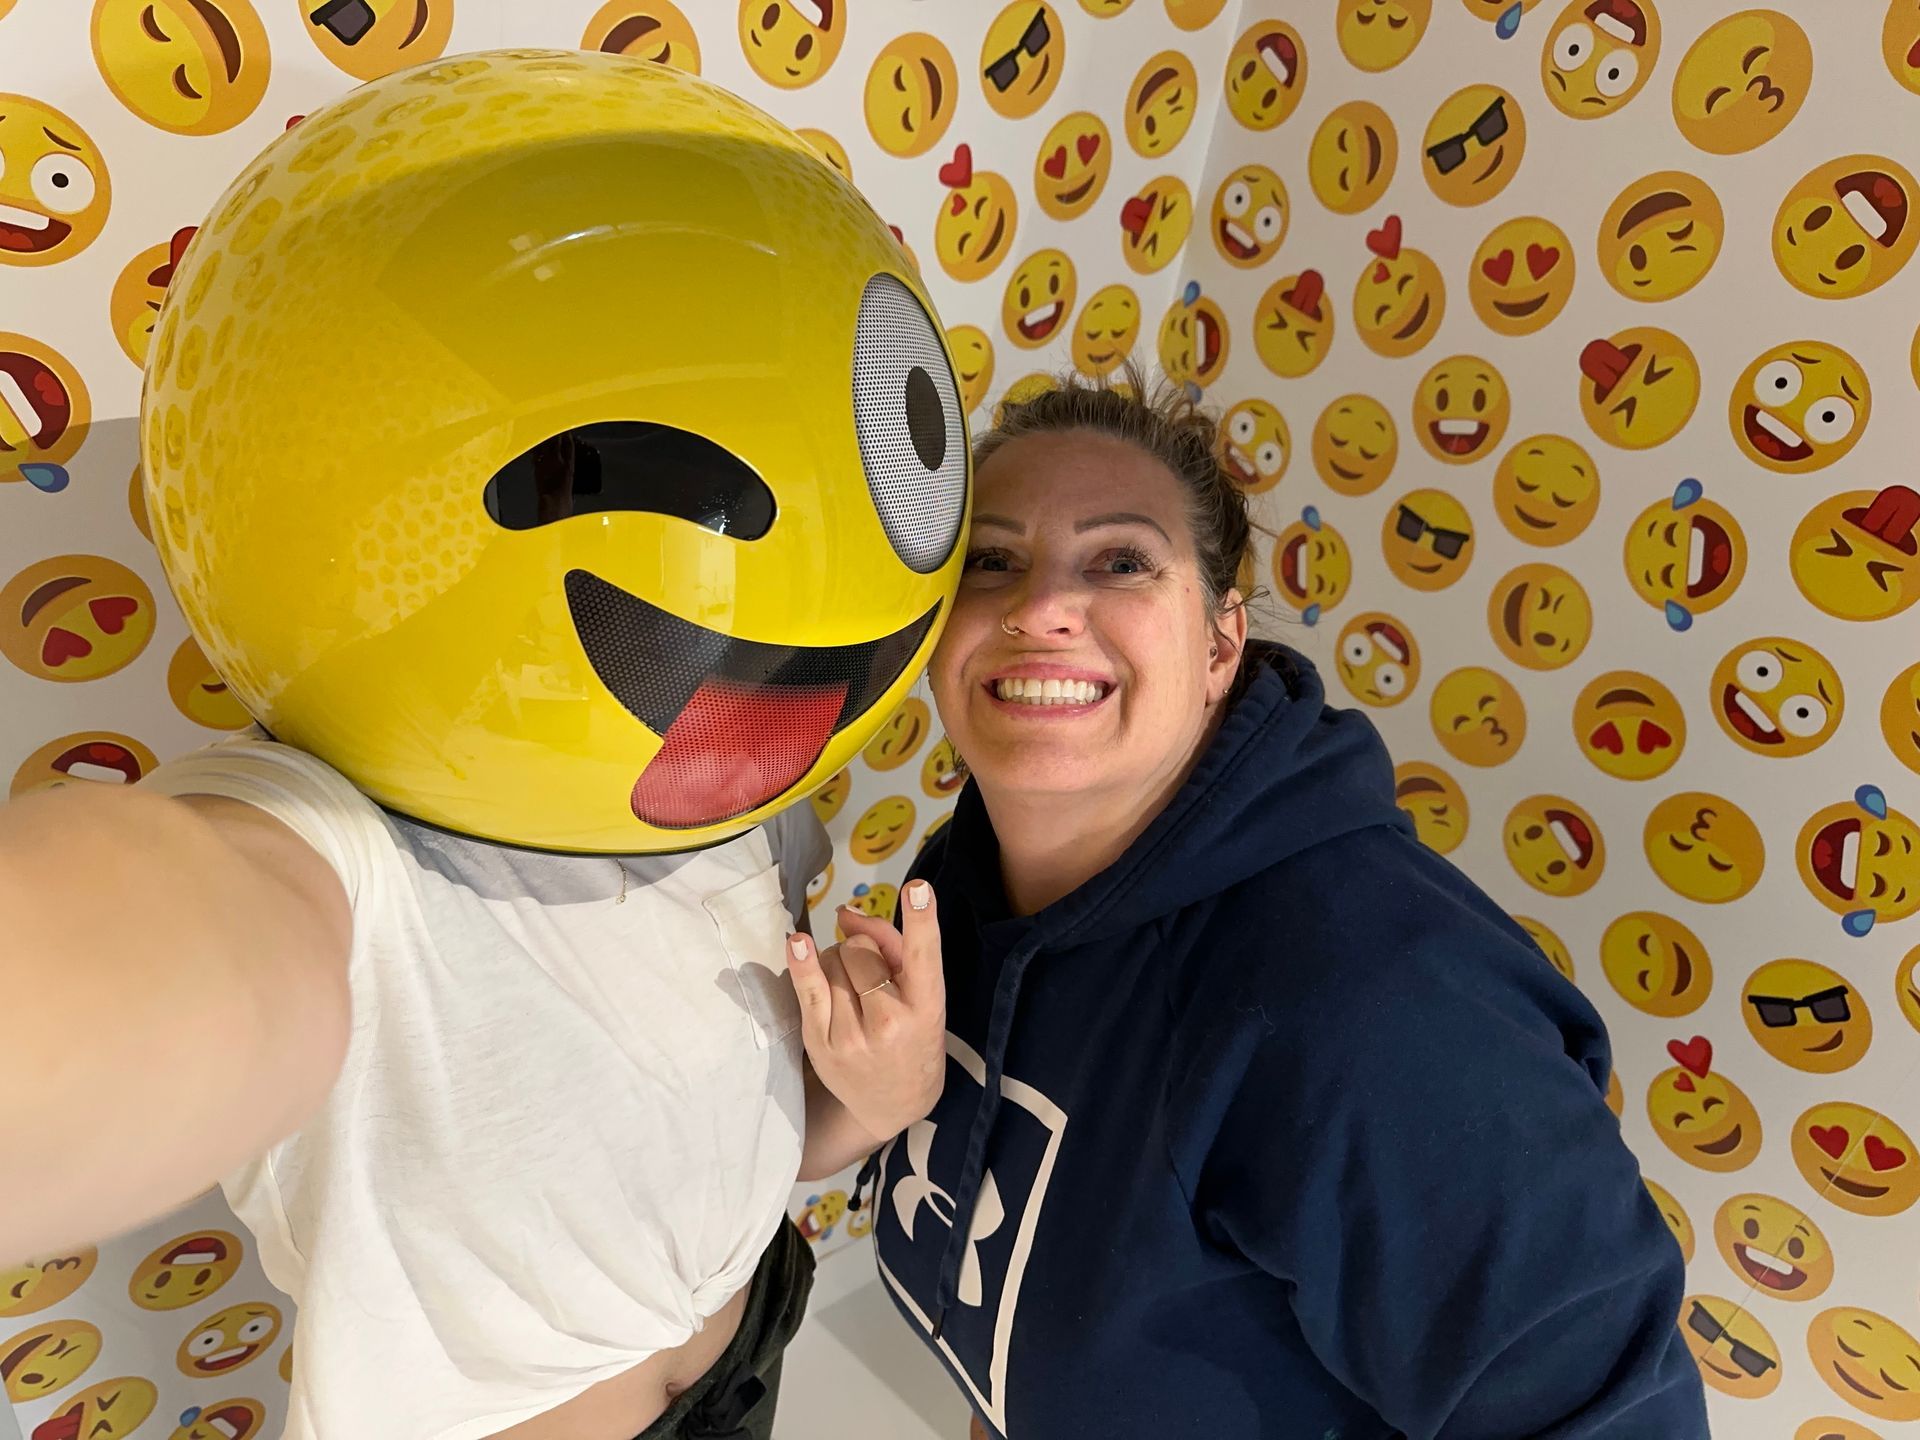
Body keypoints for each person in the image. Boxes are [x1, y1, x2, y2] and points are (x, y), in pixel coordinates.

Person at [0, 51, 966, 1440]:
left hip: (758, 1325)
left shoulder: (725, 785)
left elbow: (683, 1172)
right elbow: (163, 946)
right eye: (603, 471)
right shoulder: (339, 850)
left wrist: (872, 1104)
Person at [822, 364, 1710, 1438]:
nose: (1041, 606)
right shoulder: (957, 880)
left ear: (1219, 645)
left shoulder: (1371, 998)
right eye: (991, 561)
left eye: (1121, 561)